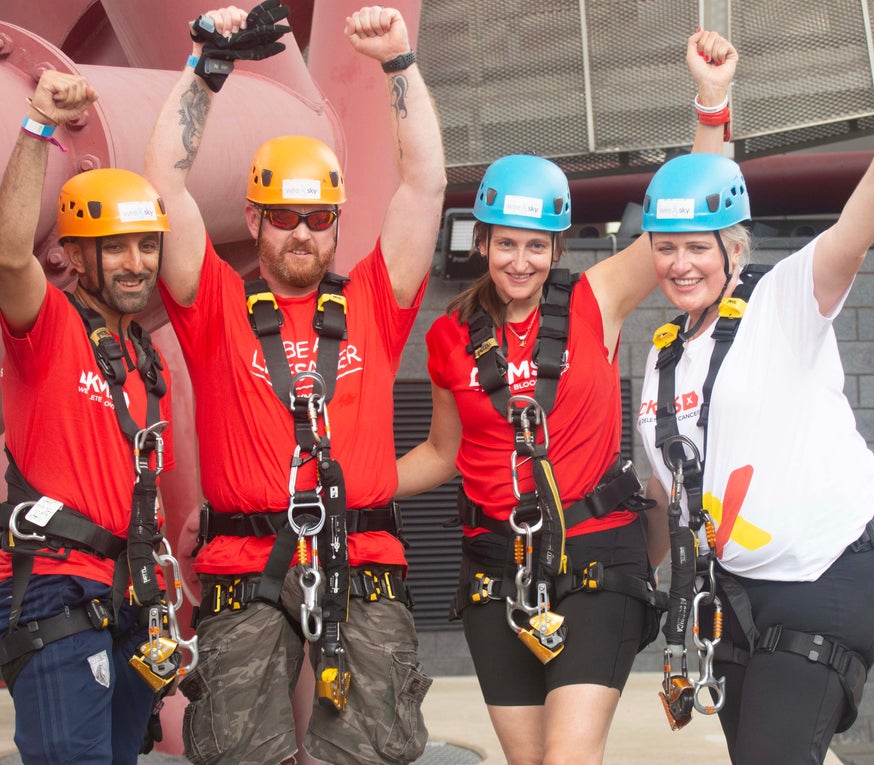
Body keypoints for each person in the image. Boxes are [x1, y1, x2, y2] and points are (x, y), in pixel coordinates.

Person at [395, 29, 737, 765]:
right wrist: (349, 481)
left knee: (567, 759)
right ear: (482, 242)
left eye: (538, 244)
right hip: (495, 567)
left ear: (557, 247)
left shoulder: (596, 299)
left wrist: (711, 104)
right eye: (506, 242)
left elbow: (688, 213)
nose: (521, 260)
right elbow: (441, 452)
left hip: (596, 560)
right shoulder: (451, 337)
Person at [636, 50, 874, 764]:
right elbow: (668, 498)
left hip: (830, 572)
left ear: (735, 245)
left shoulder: (780, 301)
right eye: (666, 249)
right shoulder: (661, 360)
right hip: (739, 599)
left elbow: (850, 239)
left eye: (699, 246)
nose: (681, 264)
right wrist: (635, 583)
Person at [143, 3, 446, 763]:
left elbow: (424, 185)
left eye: (318, 214)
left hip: (365, 561)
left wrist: (398, 64)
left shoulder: (374, 301)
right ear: (254, 217)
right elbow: (163, 190)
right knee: (243, 753)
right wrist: (206, 70)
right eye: (283, 214)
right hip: (245, 569)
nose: (303, 229)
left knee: (369, 752)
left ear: (338, 219)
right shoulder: (215, 306)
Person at [0, 70, 177, 763]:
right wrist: (39, 124)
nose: (136, 263)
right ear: (73, 256)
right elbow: (11, 253)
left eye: (145, 244)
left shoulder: (145, 357)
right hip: (56, 589)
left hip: (130, 598)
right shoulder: (47, 327)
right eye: (115, 246)